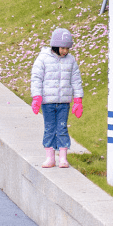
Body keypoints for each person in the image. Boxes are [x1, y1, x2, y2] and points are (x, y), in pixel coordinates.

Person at [31, 27, 83, 169]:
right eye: (63, 48)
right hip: (48, 102)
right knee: (49, 128)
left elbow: (76, 80)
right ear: (55, 45)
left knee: (62, 128)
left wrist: (78, 99)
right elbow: (36, 78)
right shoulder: (43, 58)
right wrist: (37, 96)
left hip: (64, 102)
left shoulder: (70, 60)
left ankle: (63, 158)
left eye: (68, 48)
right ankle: (50, 157)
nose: (65, 51)